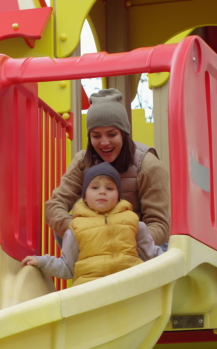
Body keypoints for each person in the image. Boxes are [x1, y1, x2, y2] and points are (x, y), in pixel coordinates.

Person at [45, 88, 170, 248]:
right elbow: (55, 205)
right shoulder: (83, 162)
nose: (104, 142)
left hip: (136, 245)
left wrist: (122, 242)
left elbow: (159, 224)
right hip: (95, 241)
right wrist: (83, 232)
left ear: (124, 134)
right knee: (66, 225)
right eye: (96, 136)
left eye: (112, 134)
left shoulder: (148, 165)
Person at [21, 162, 162, 286]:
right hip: (90, 291)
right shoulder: (76, 228)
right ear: (85, 197)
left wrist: (175, 258)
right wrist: (42, 262)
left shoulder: (133, 222)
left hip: (131, 284)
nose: (102, 192)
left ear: (118, 196)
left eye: (109, 188)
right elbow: (67, 268)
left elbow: (153, 255)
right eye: (95, 188)